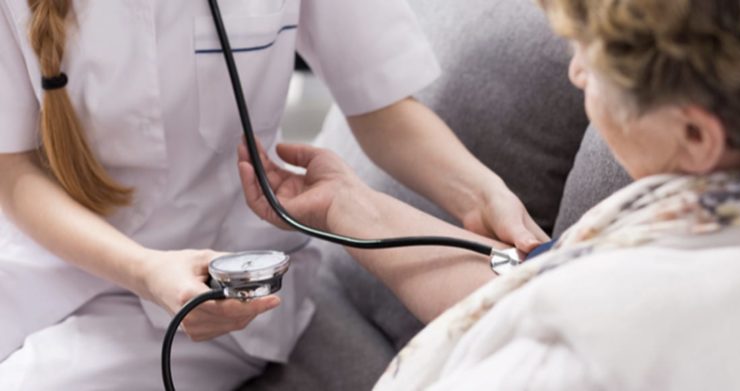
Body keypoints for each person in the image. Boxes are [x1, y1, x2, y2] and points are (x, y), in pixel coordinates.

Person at [0, 0, 548, 389]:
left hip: (213, 290)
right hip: (43, 259)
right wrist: (143, 269)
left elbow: (381, 106)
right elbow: (13, 168)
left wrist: (484, 195)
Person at [238, 0, 740, 389]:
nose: (576, 73)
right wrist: (346, 207)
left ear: (697, 136)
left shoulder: (571, 358)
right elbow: (526, 290)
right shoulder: (704, 220)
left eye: (594, 63)